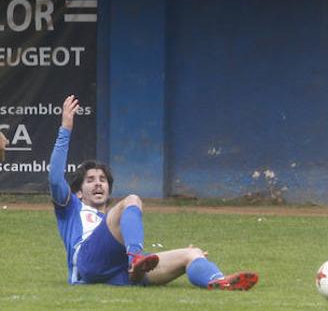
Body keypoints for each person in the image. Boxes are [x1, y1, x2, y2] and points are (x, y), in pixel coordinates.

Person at [49, 94, 259, 289]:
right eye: (91, 180)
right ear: (78, 192)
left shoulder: (118, 223)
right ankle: (136, 259)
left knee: (191, 253)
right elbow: (55, 178)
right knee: (132, 200)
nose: (98, 184)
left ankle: (219, 281)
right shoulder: (71, 208)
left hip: (121, 271)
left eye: (103, 180)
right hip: (88, 263)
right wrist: (65, 130)